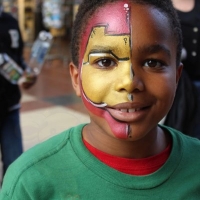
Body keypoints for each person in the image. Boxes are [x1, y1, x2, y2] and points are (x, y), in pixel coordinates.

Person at [1, 0, 200, 198]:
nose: (129, 83)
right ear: (77, 79)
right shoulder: (30, 183)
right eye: (105, 61)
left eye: (152, 62)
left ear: (176, 76)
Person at [0, 3, 36, 177]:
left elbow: (18, 57)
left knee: (15, 165)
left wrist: (27, 73)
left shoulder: (11, 22)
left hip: (10, 107)